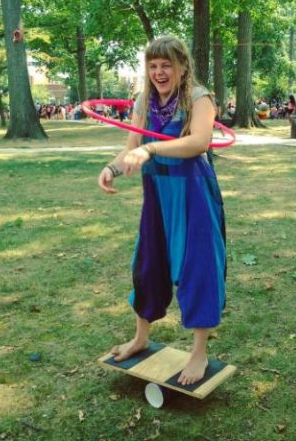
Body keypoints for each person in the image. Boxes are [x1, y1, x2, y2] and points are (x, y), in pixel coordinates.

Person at [98, 36, 226, 386]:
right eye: (153, 66)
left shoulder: (199, 98)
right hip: (157, 194)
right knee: (148, 263)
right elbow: (131, 148)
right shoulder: (144, 101)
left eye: (166, 65)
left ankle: (199, 352)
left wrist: (151, 149)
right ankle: (140, 337)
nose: (159, 72)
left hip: (192, 193)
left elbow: (199, 141)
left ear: (182, 67)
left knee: (197, 266)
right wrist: (111, 168)